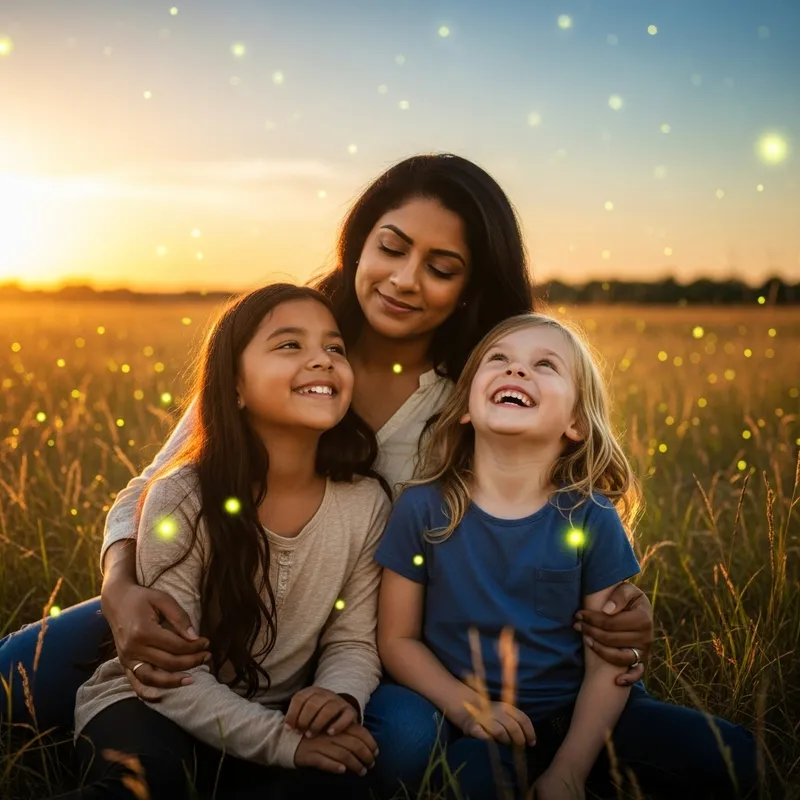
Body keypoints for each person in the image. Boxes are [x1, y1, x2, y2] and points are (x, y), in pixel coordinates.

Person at [0, 153, 653, 738]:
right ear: (358, 245)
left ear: (469, 291)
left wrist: (615, 600)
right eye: (390, 248)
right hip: (212, 602)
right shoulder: (280, 342)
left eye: (441, 268)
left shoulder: (468, 398)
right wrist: (120, 587)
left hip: (361, 643)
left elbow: (538, 495)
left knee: (394, 747)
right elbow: (157, 483)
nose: (404, 279)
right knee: (11, 682)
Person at [367, 312, 758, 799]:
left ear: (575, 421)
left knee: (734, 757)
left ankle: (576, 772)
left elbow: (609, 662)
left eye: (544, 365)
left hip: (582, 713)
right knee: (472, 783)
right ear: (466, 405)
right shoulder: (423, 507)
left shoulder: (590, 515)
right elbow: (398, 639)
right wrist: (466, 707)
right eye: (499, 360)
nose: (516, 371)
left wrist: (571, 766)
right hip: (481, 722)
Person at [54, 283, 392, 798]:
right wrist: (281, 742)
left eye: (335, 348)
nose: (322, 360)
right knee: (151, 782)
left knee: (340, 782)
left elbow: (353, 638)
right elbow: (169, 676)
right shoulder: (183, 497)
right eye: (289, 345)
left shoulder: (366, 503)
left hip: (276, 712)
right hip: (153, 701)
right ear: (234, 384)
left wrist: (338, 693)